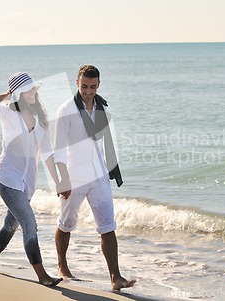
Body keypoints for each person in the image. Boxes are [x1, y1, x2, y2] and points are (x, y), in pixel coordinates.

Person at [54, 65, 136, 291]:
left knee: (107, 225)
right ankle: (62, 265)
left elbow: (101, 140)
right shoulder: (66, 109)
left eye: (92, 87)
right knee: (66, 223)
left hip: (98, 174)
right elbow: (58, 148)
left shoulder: (101, 106)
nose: (87, 91)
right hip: (74, 176)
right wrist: (63, 180)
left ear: (98, 85)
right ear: (76, 83)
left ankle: (115, 277)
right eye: (84, 86)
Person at [0, 72, 62, 286]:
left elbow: (48, 154)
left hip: (27, 182)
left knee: (10, 225)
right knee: (29, 223)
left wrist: (59, 182)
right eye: (27, 90)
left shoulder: (41, 120)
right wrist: (7, 94)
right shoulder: (7, 112)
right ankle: (42, 276)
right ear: (18, 93)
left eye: (33, 88)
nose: (32, 93)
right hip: (7, 176)